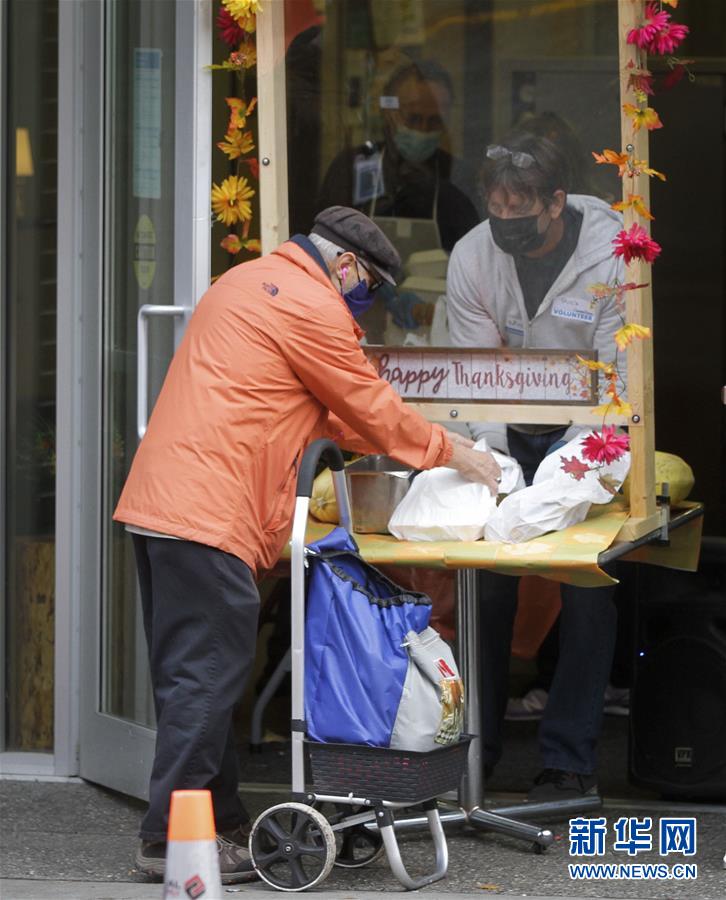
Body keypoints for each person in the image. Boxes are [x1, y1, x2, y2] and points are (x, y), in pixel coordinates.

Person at [114, 206, 501, 882]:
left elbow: (318, 408)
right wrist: (449, 451)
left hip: (164, 504)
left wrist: (400, 443)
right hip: (208, 511)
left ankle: (221, 822)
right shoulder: (308, 302)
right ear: (346, 264)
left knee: (203, 675)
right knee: (205, 679)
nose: (362, 302)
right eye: (368, 287)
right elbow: (364, 400)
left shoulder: (248, 281)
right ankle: (164, 842)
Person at [446, 132, 625, 800]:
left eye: (520, 213)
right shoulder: (471, 256)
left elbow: (617, 386)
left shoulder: (612, 255)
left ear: (557, 202)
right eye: (496, 211)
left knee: (587, 577)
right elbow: (471, 376)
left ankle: (568, 760)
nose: (506, 226)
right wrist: (494, 468)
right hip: (503, 421)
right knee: (487, 578)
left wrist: (558, 484)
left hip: (591, 428)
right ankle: (475, 756)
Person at [317, 59, 480, 343]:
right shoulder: (353, 168)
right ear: (389, 114)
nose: (422, 131)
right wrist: (377, 292)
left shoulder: (458, 179)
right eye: (413, 119)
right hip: (358, 326)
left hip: (436, 330)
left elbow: (476, 265)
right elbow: (320, 252)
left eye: (433, 123)